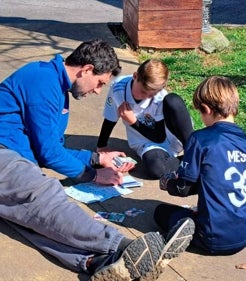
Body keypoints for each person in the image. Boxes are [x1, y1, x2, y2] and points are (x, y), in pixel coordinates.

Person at [0, 39, 194, 280]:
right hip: (4, 155)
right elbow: (48, 154)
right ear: (87, 69)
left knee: (28, 217)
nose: (98, 91)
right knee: (43, 197)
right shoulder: (44, 81)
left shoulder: (57, 89)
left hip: (13, 159)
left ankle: (96, 262)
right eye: (100, 83)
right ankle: (122, 247)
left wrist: (96, 158)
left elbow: (51, 149)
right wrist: (91, 174)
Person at [155, 76, 246, 255]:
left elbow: (182, 188)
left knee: (161, 212)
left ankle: (192, 230)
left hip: (215, 238)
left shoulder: (200, 139)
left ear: (205, 109)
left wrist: (168, 183)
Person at [96, 59, 194, 179]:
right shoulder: (118, 88)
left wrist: (133, 122)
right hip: (149, 143)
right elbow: (110, 119)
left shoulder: (160, 97)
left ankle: (193, 152)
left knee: (173, 100)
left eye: (151, 94)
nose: (146, 97)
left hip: (171, 133)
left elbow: (160, 136)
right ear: (135, 76)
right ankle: (189, 163)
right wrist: (102, 146)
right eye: (143, 91)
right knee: (156, 170)